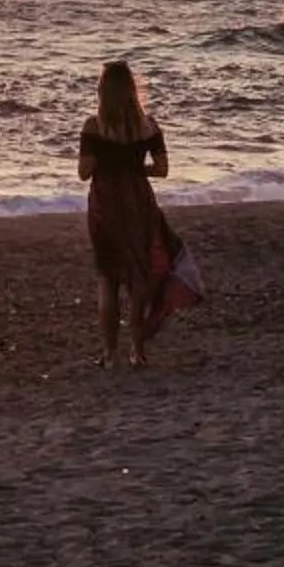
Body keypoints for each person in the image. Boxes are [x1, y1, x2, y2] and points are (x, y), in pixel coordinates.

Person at [80, 58, 181, 367]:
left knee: (107, 278)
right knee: (138, 276)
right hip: (138, 200)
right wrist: (135, 168)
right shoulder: (148, 126)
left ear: (102, 92)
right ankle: (137, 352)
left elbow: (85, 172)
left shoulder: (93, 127)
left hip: (105, 203)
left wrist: (107, 164)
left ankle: (109, 355)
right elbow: (162, 170)